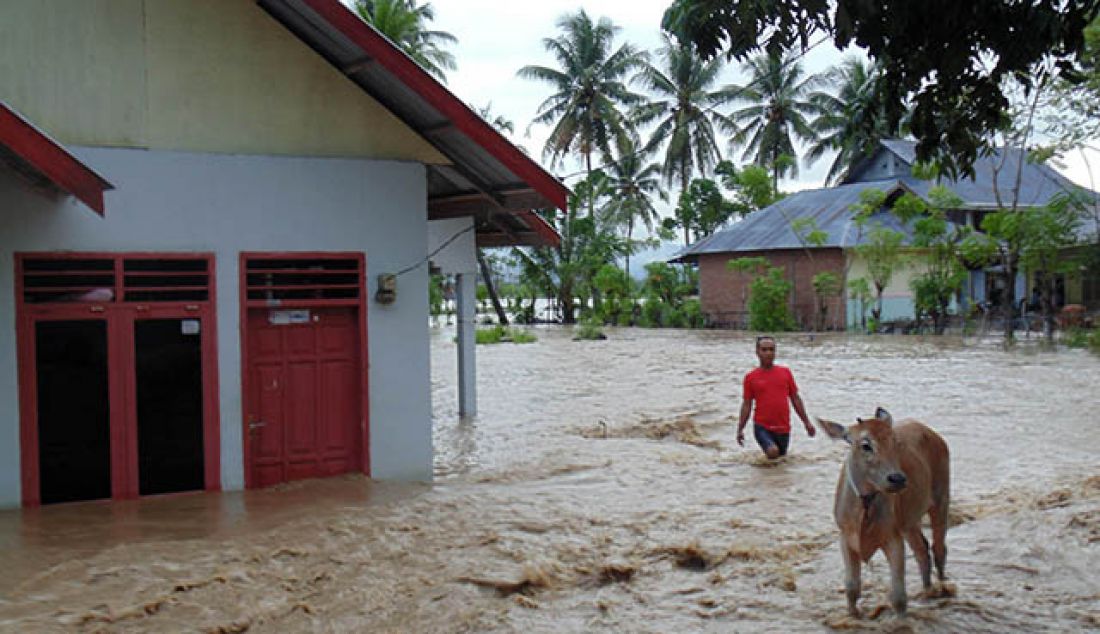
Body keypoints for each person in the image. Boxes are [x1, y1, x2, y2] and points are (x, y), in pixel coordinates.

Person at [736, 336, 815, 459]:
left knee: (780, 460)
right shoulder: (751, 377)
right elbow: (747, 404)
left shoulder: (785, 373)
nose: (768, 353)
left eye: (771, 349)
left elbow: (795, 399)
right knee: (773, 452)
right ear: (757, 352)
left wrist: (807, 422)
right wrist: (740, 428)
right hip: (762, 426)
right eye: (764, 349)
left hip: (783, 427)